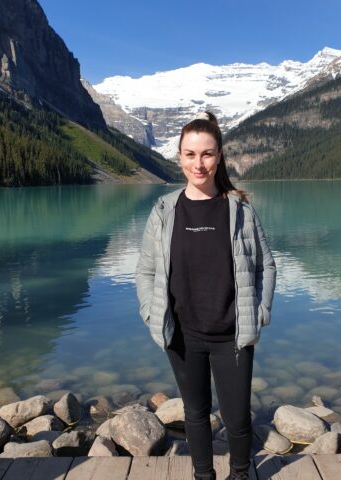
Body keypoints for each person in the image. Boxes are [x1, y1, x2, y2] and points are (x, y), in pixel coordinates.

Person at [135, 111, 277, 480]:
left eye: (207, 154)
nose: (199, 164)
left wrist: (259, 312)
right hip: (182, 336)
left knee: (236, 418)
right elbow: (146, 270)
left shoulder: (240, 209)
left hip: (232, 335)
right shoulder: (165, 211)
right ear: (179, 157)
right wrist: (152, 313)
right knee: (195, 414)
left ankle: (240, 475)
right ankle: (203, 476)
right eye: (191, 154)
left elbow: (267, 266)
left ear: (219, 158)